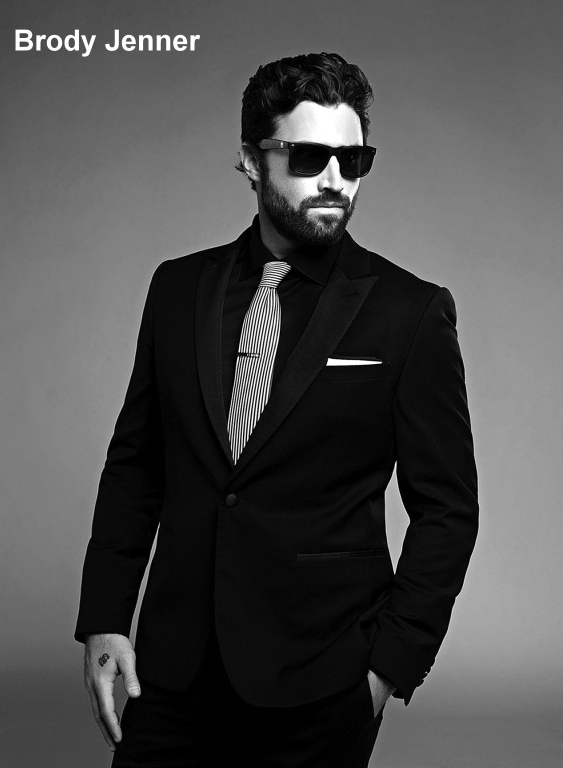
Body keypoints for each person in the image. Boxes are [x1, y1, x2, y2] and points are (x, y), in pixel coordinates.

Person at [76, 52, 478, 767]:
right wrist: (105, 619)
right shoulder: (177, 290)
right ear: (250, 160)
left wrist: (387, 669)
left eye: (354, 159)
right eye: (309, 156)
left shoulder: (409, 312)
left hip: (323, 680)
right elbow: (137, 464)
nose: (335, 179)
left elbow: (447, 508)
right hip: (172, 673)